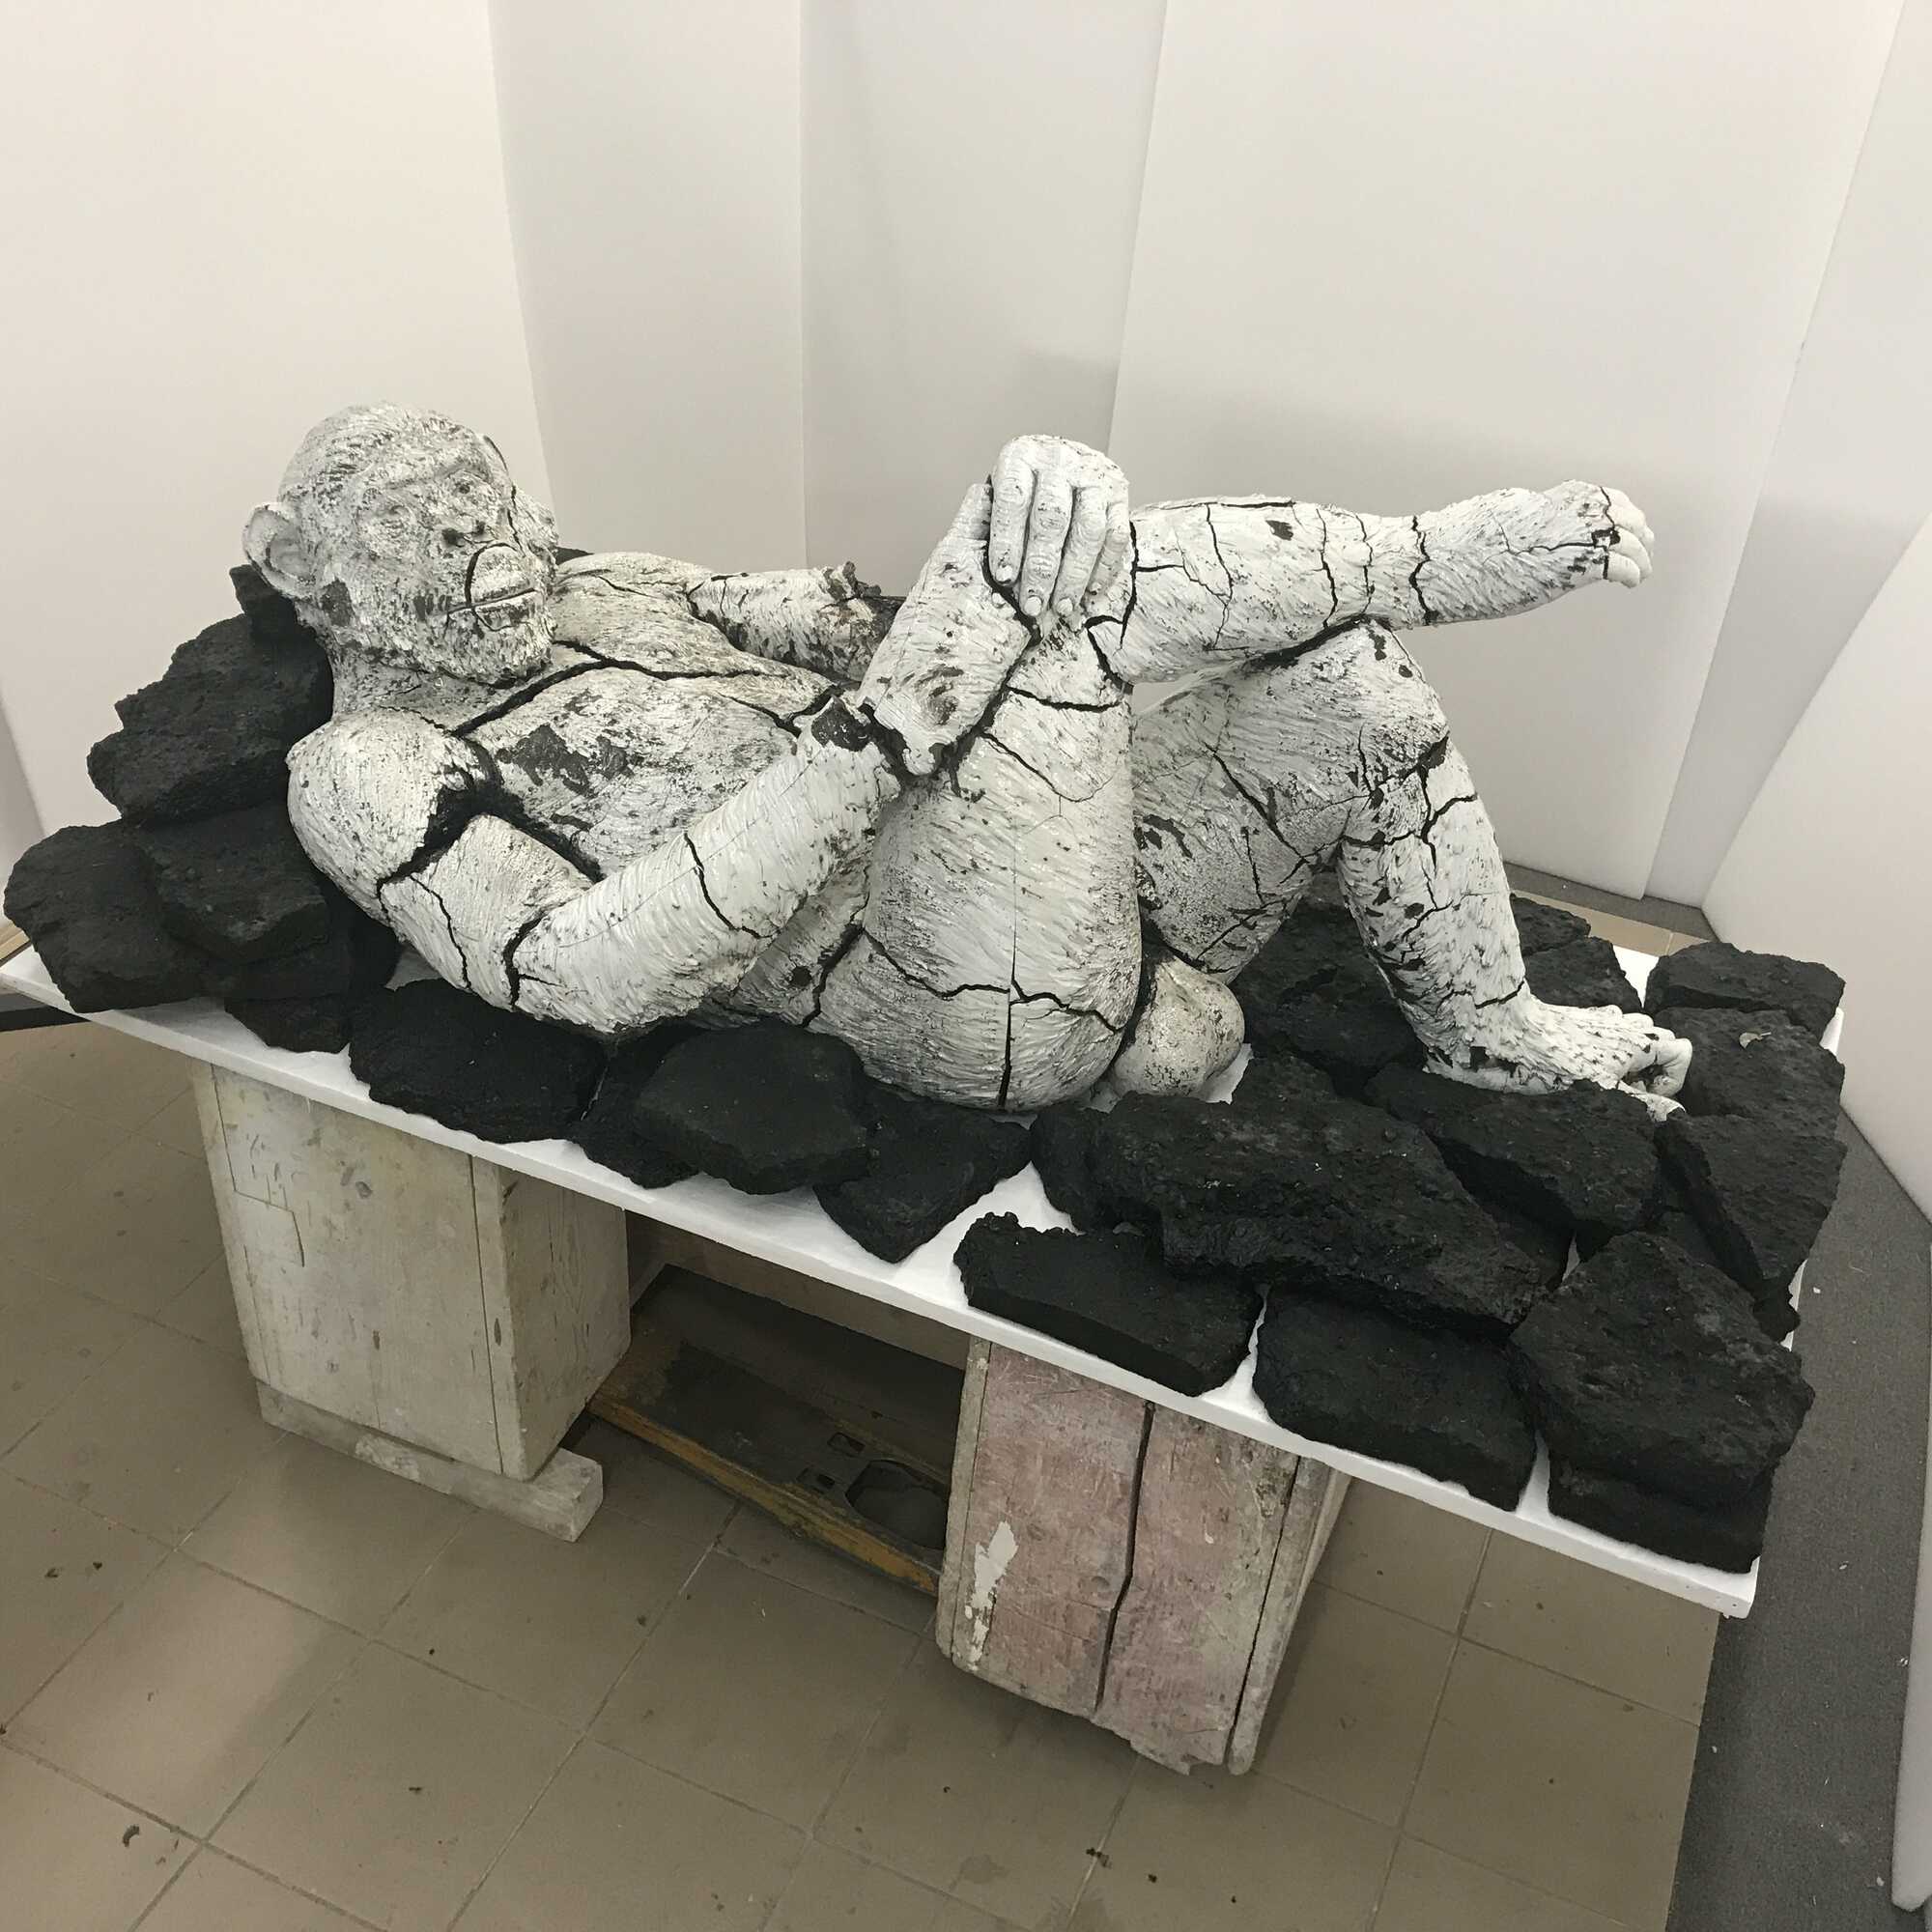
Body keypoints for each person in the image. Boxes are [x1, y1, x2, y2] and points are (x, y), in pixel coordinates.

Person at [249, 404, 1688, 1111]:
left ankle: (1492, 1033)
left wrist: (964, 590)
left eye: (499, 508)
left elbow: (846, 620)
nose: (502, 555)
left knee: (1351, 691)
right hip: (933, 990)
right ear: (319, 581)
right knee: (1060, 592)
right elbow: (575, 972)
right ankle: (1427, 556)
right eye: (431, 537)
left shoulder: (604, 583)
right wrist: (876, 740)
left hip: (1049, 858)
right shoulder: (364, 766)